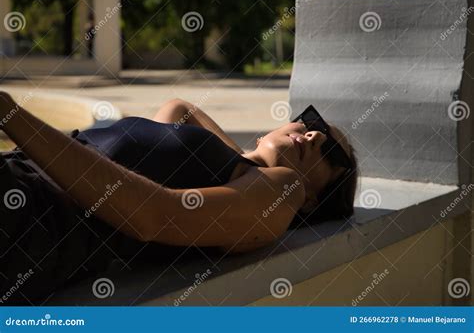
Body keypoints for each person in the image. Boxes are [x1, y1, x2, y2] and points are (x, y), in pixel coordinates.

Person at [0, 93, 357, 304]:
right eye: (314, 124)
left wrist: (11, 114)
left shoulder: (284, 190)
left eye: (332, 156)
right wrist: (250, 156)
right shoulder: (238, 170)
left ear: (311, 201)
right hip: (21, 180)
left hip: (37, 216)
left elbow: (154, 215)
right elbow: (178, 108)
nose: (315, 136)